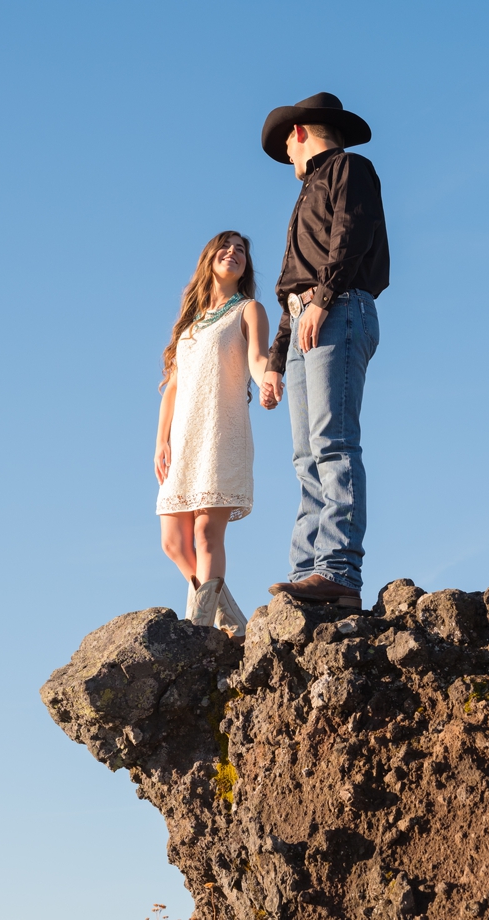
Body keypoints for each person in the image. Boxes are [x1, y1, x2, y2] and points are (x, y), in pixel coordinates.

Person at [258, 93, 386, 610]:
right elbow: (293, 286)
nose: (287, 153)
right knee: (305, 454)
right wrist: (272, 361)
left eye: (287, 142)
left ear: (301, 133)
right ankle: (309, 571)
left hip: (340, 309)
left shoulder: (350, 168)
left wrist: (325, 299)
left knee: (333, 441)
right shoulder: (308, 189)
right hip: (307, 317)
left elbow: (349, 236)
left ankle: (337, 569)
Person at [154, 231, 274, 640]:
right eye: (226, 247)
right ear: (209, 259)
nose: (234, 253)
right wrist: (161, 441)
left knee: (206, 533)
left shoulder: (249, 310)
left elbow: (258, 359)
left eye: (241, 250)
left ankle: (199, 629)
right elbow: (172, 386)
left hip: (221, 432)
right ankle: (232, 620)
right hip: (183, 439)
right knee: (173, 540)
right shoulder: (189, 324)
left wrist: (267, 381)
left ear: (246, 267)